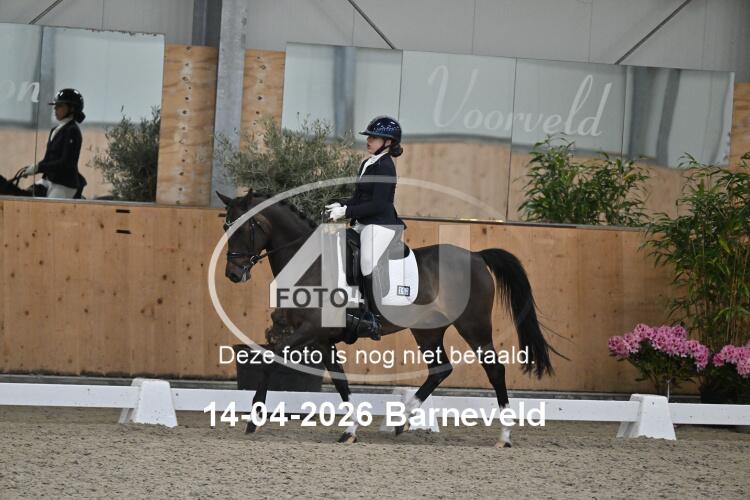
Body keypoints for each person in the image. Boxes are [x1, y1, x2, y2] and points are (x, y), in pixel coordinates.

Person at [325, 115, 405, 341]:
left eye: (374, 137)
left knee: (368, 261)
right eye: (369, 136)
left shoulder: (386, 166)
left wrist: (347, 212)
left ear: (388, 142)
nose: (368, 140)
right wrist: (342, 204)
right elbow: (360, 198)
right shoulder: (368, 163)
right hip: (364, 223)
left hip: (381, 224)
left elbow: (378, 204)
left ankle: (373, 316)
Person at [21, 88, 87, 199]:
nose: (55, 109)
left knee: (50, 207)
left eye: (60, 106)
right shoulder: (55, 130)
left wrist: (39, 168)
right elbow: (48, 159)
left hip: (64, 184)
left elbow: (65, 163)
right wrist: (35, 167)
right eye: (55, 106)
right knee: (27, 196)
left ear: (72, 108)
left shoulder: (72, 131)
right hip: (49, 179)